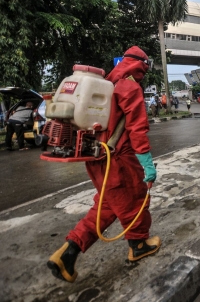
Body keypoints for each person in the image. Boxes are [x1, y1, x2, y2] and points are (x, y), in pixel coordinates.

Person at [47, 46, 160, 283]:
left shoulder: (107, 82)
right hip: (119, 159)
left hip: (98, 157)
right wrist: (147, 164)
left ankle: (67, 253)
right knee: (135, 198)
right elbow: (137, 128)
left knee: (106, 207)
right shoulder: (129, 86)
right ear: (141, 65)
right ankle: (138, 244)